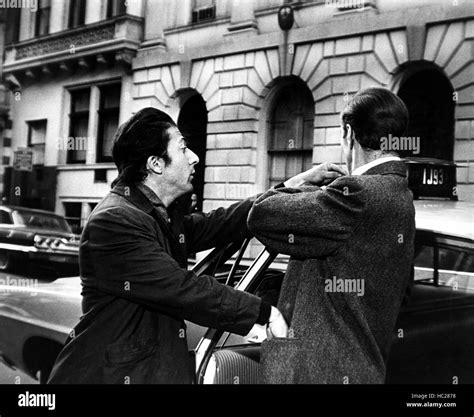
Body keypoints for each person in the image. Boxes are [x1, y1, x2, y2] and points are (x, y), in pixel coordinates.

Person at [47, 108, 288, 384]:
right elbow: (183, 289)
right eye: (183, 148)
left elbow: (221, 222)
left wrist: (286, 189)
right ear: (156, 164)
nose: (194, 157)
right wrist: (265, 313)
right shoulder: (114, 221)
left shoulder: (159, 215)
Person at [247, 88, 415, 384]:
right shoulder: (401, 195)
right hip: (362, 368)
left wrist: (301, 183)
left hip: (319, 372)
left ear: (349, 133)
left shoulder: (358, 194)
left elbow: (261, 214)